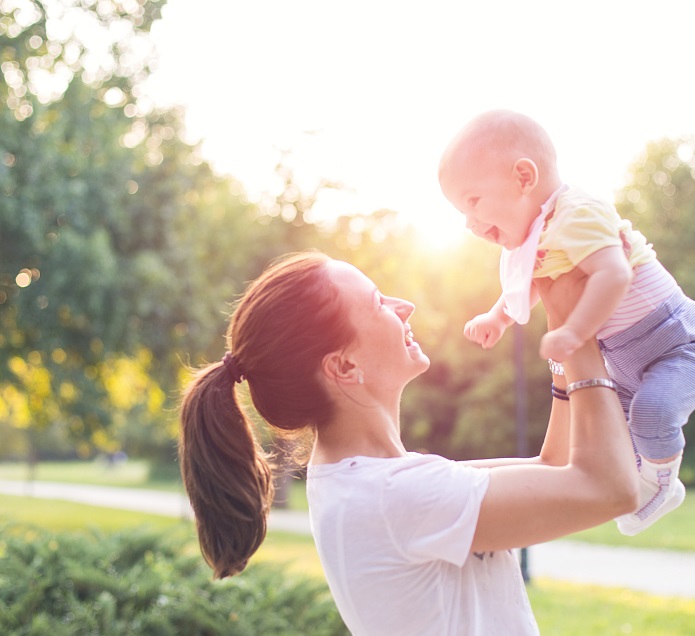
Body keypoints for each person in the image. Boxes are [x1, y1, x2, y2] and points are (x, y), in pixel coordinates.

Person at [179, 251, 639, 635]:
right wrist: (579, 335)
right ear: (343, 367)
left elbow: (553, 467)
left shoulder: (376, 482)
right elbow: (611, 489)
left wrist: (561, 328)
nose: (405, 306)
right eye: (379, 302)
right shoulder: (393, 495)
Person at [437, 109, 695, 535]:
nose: (470, 224)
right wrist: (497, 317)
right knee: (607, 449)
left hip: (677, 343)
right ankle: (649, 484)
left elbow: (614, 273)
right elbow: (536, 281)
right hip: (626, 361)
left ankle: (660, 486)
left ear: (523, 177)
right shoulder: (541, 232)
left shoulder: (578, 213)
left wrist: (573, 332)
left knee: (650, 415)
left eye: (473, 202)